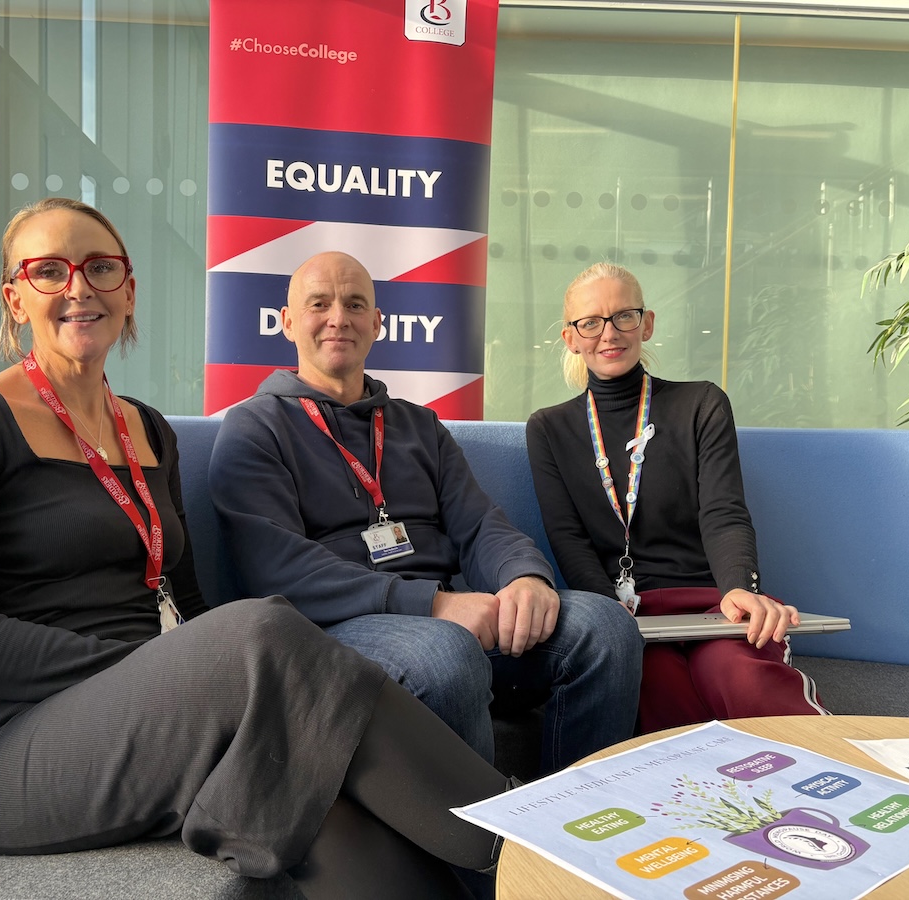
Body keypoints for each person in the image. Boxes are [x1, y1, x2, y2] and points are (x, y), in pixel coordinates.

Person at [0, 199, 514, 900]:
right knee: (262, 627)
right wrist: (165, 673)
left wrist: (184, 679)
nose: (79, 288)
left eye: (101, 268)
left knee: (335, 811)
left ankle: (508, 865)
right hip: (6, 743)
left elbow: (181, 599)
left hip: (148, 723)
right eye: (49, 271)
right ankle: (526, 844)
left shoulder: (147, 430)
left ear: (128, 292)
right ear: (14, 297)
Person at [209, 250, 643, 776]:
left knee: (604, 629)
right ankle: (477, 854)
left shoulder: (420, 427)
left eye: (355, 304)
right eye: (318, 304)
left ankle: (574, 827)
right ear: (287, 322)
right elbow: (278, 569)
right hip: (333, 633)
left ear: (377, 323)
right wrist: (432, 605)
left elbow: (480, 523)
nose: (338, 318)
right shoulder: (254, 427)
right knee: (446, 655)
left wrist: (524, 577)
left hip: (446, 623)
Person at [525, 262, 828, 735]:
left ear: (646, 324)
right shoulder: (548, 428)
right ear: (572, 338)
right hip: (628, 614)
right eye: (591, 322)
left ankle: (849, 769)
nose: (609, 333)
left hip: (713, 600)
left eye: (624, 316)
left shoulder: (701, 403)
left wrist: (739, 588)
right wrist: (608, 610)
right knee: (657, 690)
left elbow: (724, 513)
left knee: (735, 675)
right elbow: (568, 538)